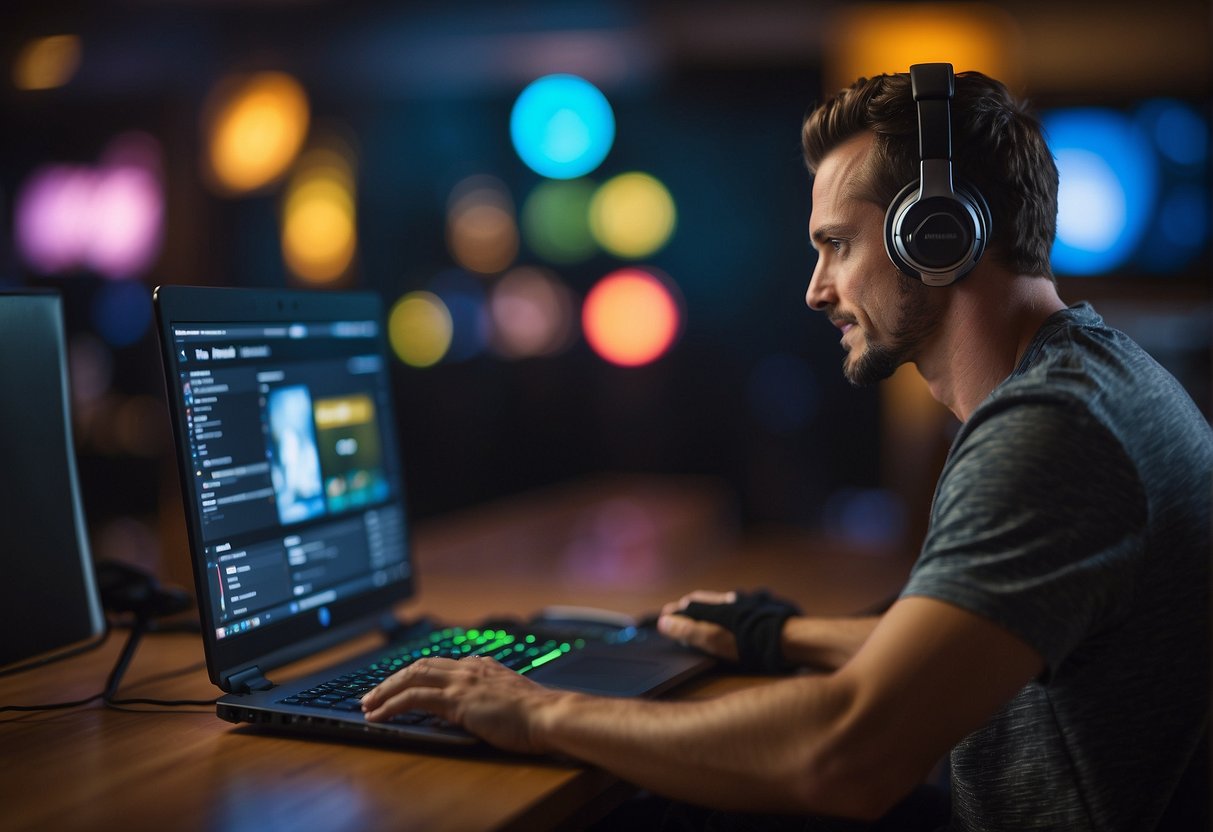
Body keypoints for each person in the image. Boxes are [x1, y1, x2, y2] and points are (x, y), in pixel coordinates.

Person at [361, 66, 1212, 830]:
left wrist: (534, 711)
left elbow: (846, 757)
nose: (815, 290)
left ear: (939, 233)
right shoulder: (1092, 377)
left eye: (836, 245)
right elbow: (982, 651)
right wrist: (783, 636)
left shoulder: (1052, 432)